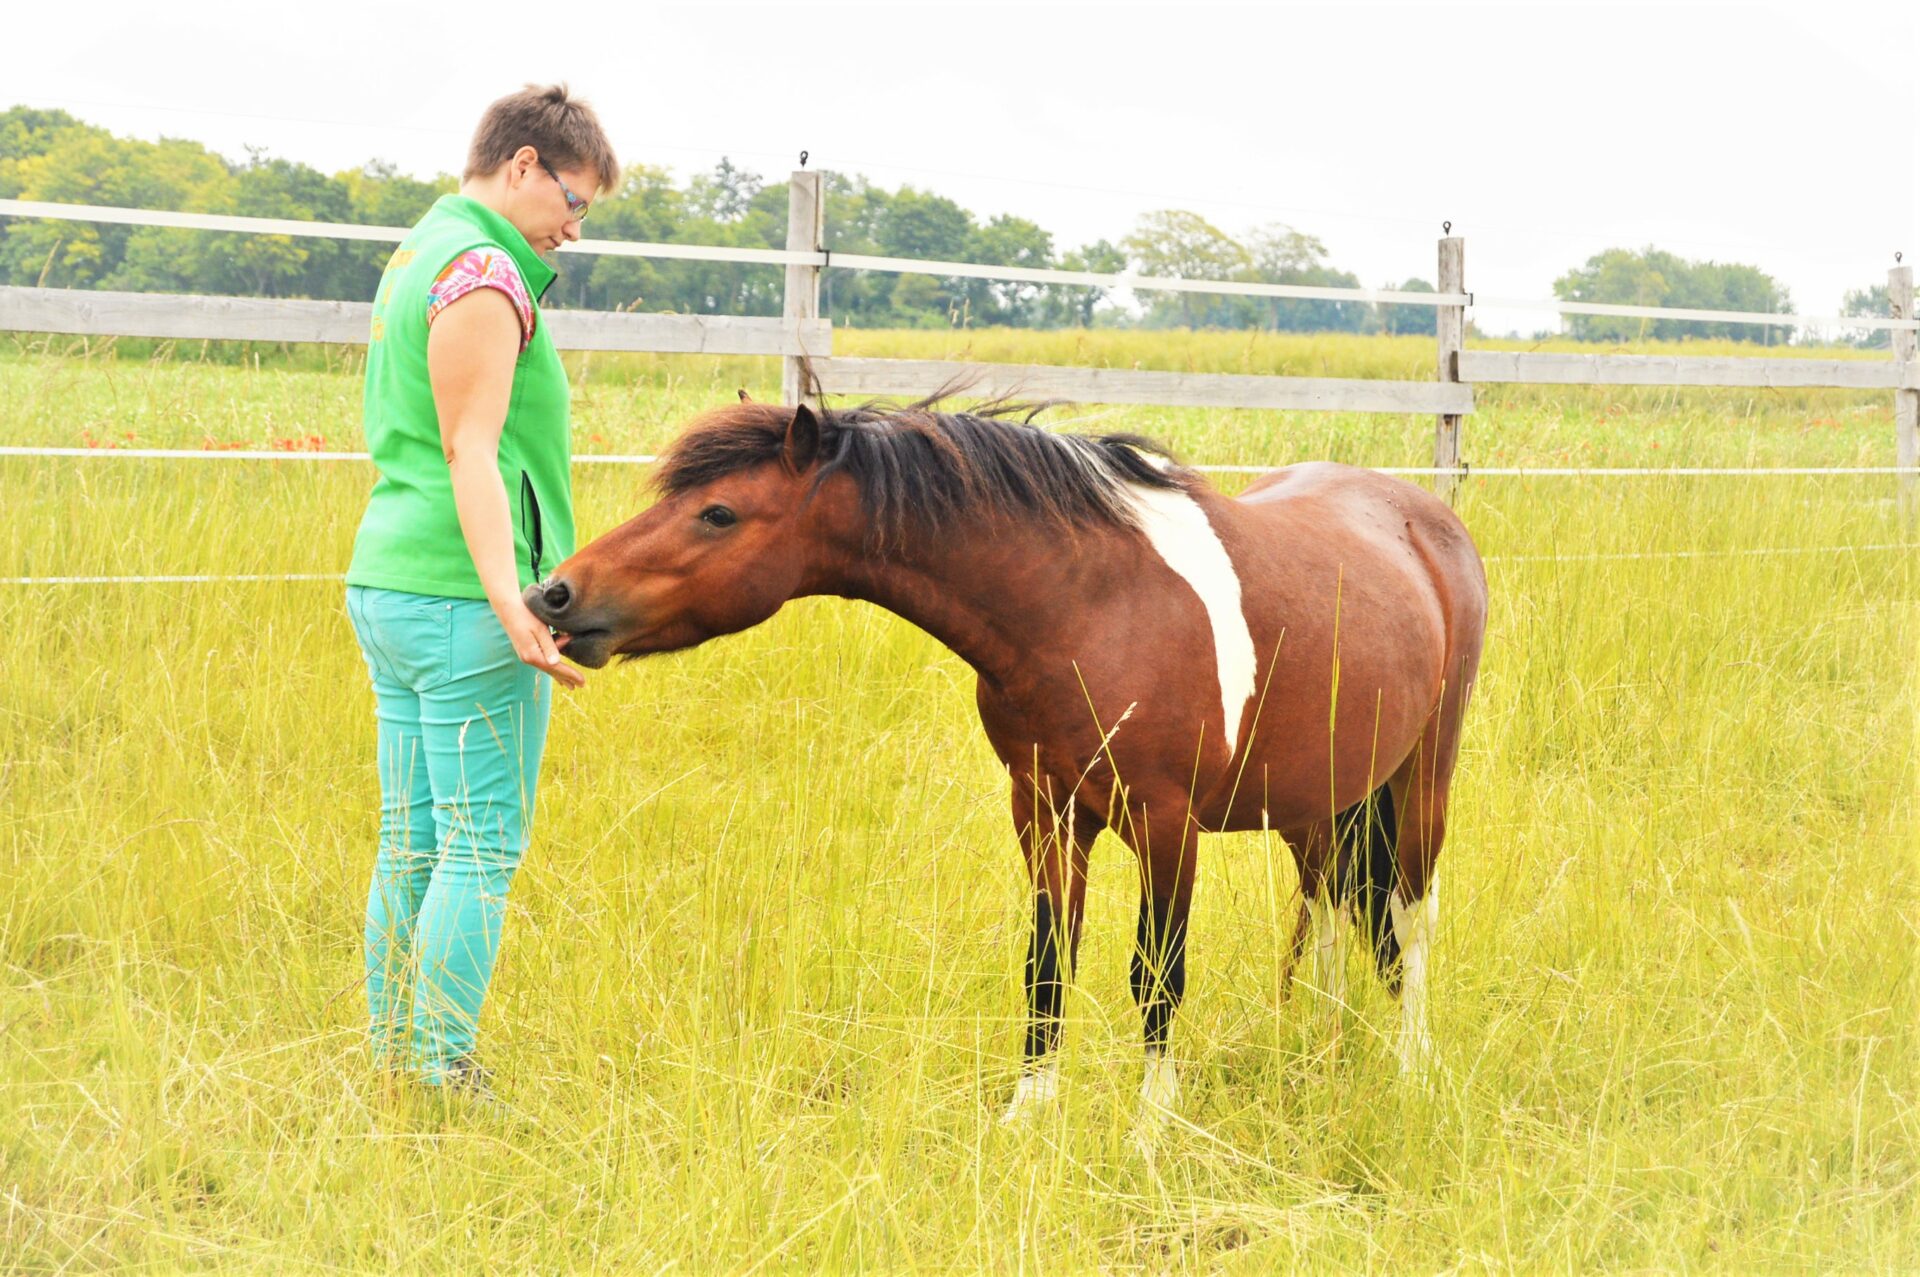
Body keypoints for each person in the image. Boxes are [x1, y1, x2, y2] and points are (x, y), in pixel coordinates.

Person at [343, 84, 619, 1095]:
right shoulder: (487, 270)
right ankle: (440, 1064)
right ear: (524, 165)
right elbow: (471, 447)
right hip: (462, 596)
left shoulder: (421, 249)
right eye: (575, 201)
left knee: (412, 833)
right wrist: (513, 601)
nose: (576, 228)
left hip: (394, 579)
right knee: (478, 841)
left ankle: (393, 1054)